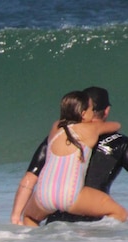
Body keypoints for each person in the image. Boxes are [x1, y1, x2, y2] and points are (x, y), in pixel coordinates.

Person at [14, 87, 128, 225]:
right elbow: (114, 125)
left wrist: (16, 215)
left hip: (47, 204)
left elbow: (29, 178)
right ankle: (101, 232)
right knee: (120, 213)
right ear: (106, 111)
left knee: (30, 217)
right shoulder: (113, 139)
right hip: (81, 206)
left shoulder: (55, 133)